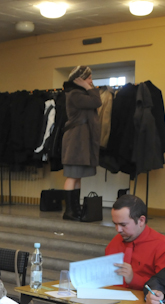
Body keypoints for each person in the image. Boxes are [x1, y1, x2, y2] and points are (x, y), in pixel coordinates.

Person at [61, 65, 102, 221]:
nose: (91, 81)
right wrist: (88, 87)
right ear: (80, 79)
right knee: (72, 176)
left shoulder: (80, 94)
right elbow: (97, 101)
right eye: (88, 78)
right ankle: (69, 211)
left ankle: (75, 209)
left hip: (80, 139)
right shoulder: (74, 94)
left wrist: (87, 87)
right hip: (75, 140)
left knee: (77, 176)